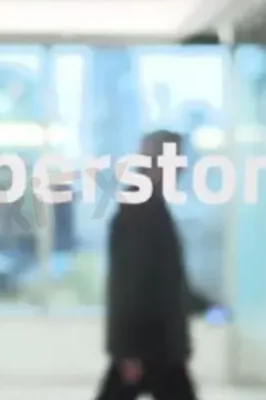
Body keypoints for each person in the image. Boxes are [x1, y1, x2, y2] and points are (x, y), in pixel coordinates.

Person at [95, 130, 199, 400]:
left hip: (157, 345)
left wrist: (203, 304)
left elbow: (166, 278)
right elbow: (129, 285)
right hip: (150, 346)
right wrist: (128, 351)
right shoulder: (140, 212)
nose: (183, 168)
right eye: (178, 160)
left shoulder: (150, 207)